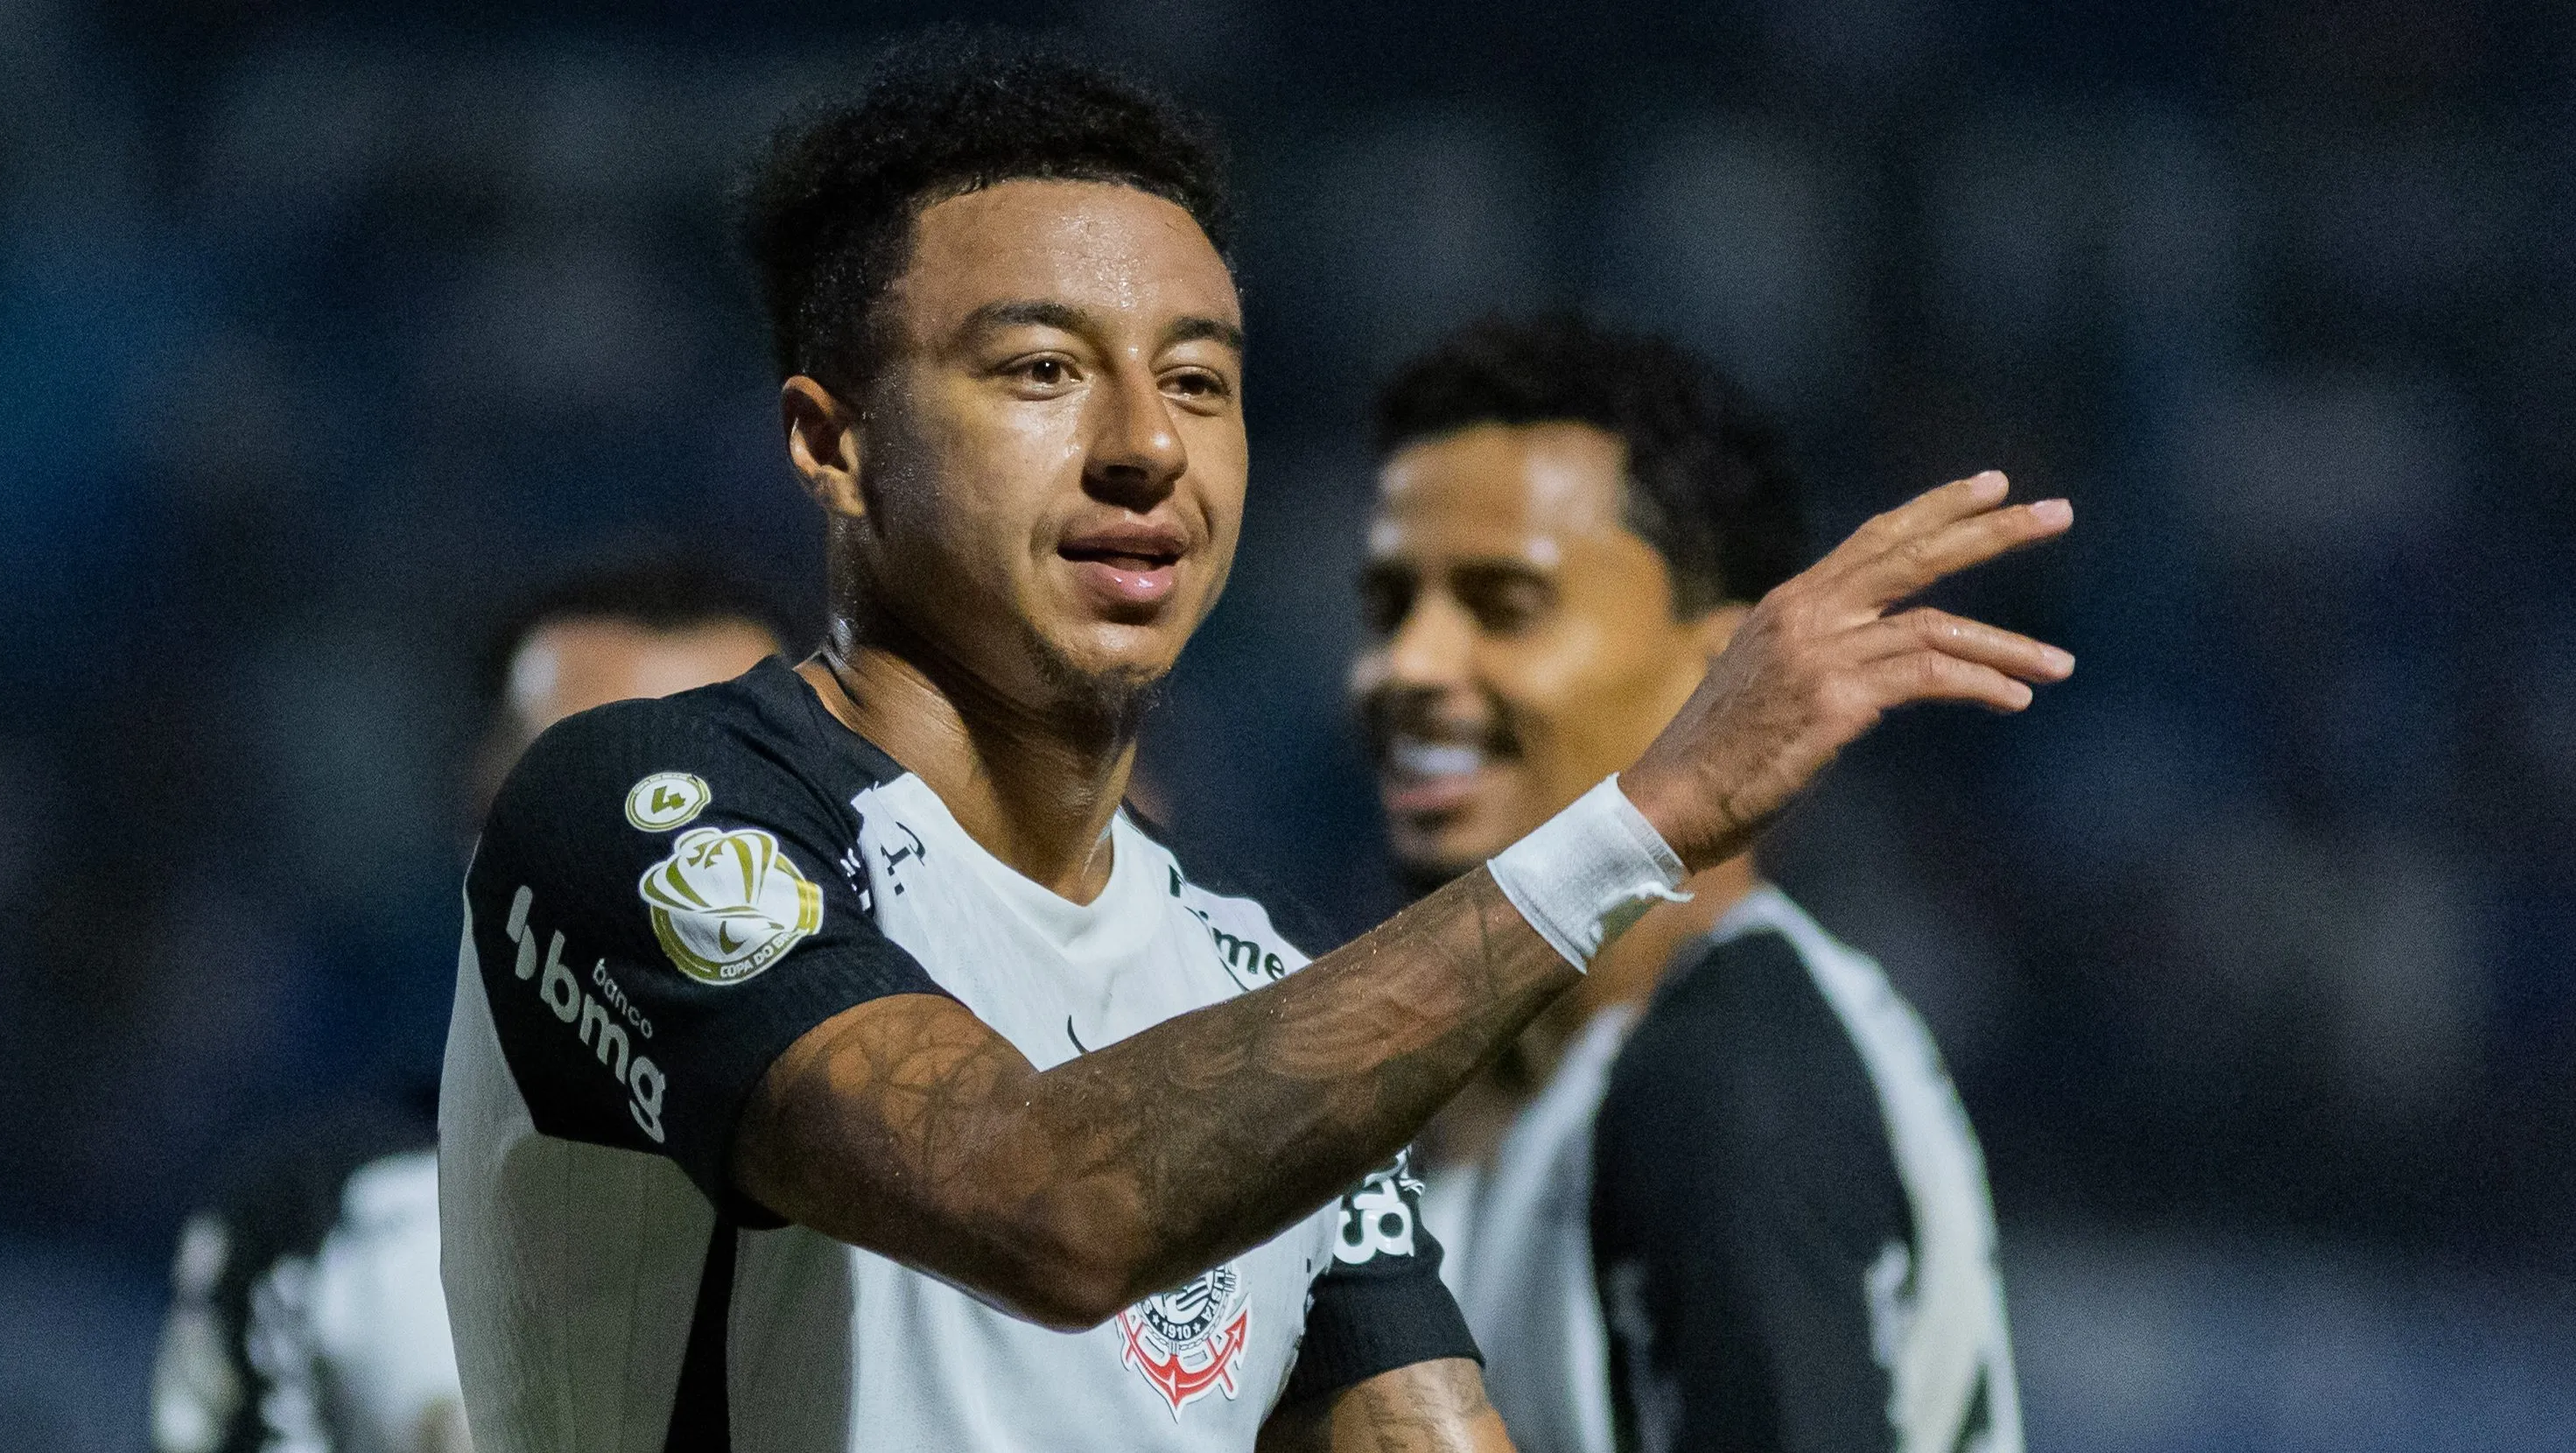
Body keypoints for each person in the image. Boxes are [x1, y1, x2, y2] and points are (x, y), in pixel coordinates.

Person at [436, 37, 2073, 1453]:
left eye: (1198, 381)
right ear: (832, 443)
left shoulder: (1243, 985)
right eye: (1041, 370)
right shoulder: (643, 818)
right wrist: (1630, 825)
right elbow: (1048, 1205)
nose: (1145, 445)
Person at [1351, 314, 2025, 1453]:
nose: (1406, 666)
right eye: (1386, 608)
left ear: (1726, 675)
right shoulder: (1555, 1087)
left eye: (1503, 606)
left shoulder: (1723, 1092)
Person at [150, 561, 788, 1453]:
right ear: (480, 815)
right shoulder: (326, 1220)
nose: (665, 852)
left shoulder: (933, 1200)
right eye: (589, 787)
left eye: (729, 786)